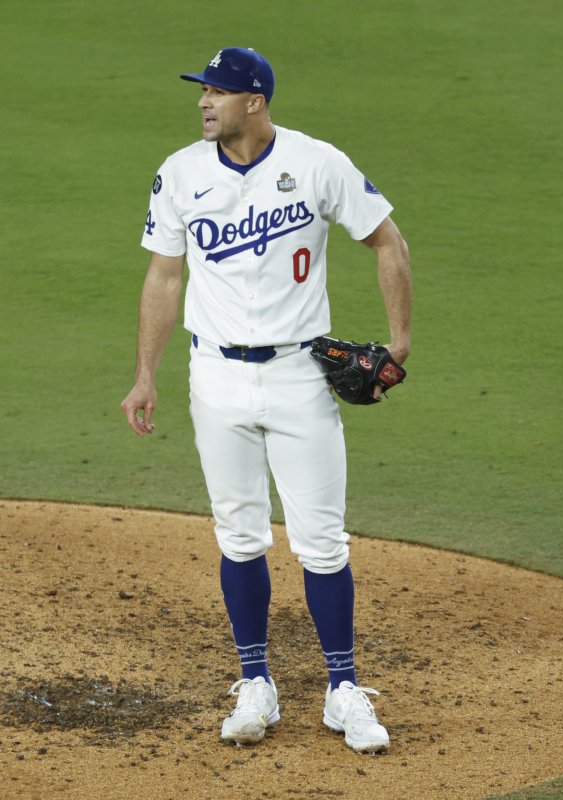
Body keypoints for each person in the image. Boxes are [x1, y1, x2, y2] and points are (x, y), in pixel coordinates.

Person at [120, 47, 411, 754]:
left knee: (321, 539)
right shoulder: (180, 172)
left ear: (255, 101)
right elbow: (164, 277)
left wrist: (399, 344)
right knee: (239, 533)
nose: (203, 102)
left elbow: (388, 242)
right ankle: (256, 680)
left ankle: (344, 690)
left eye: (217, 91)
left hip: (299, 377)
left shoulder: (316, 164)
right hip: (214, 378)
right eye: (203, 91)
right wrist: (145, 373)